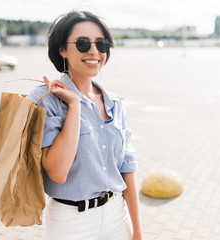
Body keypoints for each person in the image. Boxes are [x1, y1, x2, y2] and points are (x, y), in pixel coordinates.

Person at [28, 10, 142, 240]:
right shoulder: (44, 99)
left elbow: (127, 168)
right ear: (62, 49)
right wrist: (75, 105)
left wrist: (137, 232)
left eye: (101, 44)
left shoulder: (115, 103)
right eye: (82, 43)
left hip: (116, 215)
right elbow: (58, 172)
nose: (93, 51)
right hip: (71, 222)